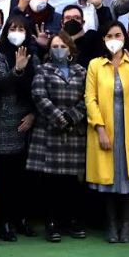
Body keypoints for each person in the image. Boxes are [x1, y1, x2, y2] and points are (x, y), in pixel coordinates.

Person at [85, 21, 129, 243]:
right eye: (110, 35)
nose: (114, 38)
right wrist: (100, 129)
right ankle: (111, 225)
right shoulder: (95, 64)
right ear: (104, 39)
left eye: (118, 35)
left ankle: (126, 226)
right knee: (108, 180)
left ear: (125, 38)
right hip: (105, 130)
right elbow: (90, 98)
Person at [28, 32, 89, 243]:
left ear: (71, 49)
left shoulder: (82, 71)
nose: (59, 49)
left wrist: (72, 117)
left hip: (74, 133)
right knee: (51, 183)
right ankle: (51, 223)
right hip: (50, 132)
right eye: (54, 46)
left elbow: (87, 98)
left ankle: (72, 221)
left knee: (72, 183)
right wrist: (59, 118)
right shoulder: (42, 70)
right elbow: (39, 96)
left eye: (63, 46)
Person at [0, 14, 38, 241]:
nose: (17, 32)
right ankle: (5, 221)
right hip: (4, 123)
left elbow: (39, 89)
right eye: (13, 27)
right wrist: (18, 69)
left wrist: (33, 114)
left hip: (28, 122)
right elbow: (2, 84)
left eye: (21, 28)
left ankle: (22, 219)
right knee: (5, 176)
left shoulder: (34, 56)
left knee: (25, 177)